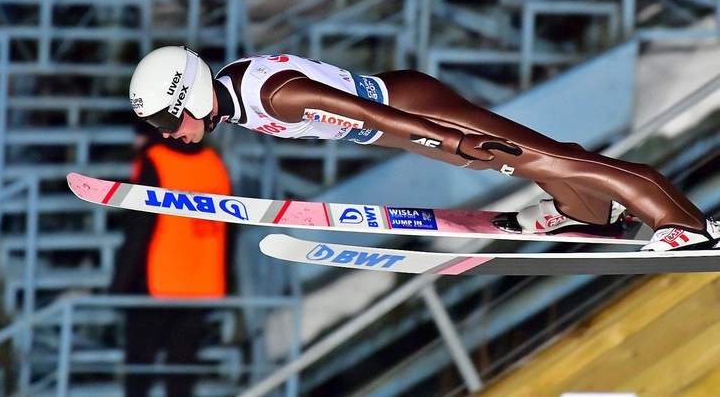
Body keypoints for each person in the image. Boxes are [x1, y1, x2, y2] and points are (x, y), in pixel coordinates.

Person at [128, 46, 719, 252]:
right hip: (400, 125)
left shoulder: (270, 95)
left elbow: (363, 111)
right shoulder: (230, 92)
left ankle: (682, 220)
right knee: (527, 158)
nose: (168, 133)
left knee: (543, 156)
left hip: (409, 109)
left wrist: (447, 134)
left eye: (166, 119)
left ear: (188, 95)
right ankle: (588, 215)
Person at [110, 120, 233, 396]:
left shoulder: (155, 162)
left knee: (139, 375)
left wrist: (120, 284)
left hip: (156, 286)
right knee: (181, 378)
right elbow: (230, 233)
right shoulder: (215, 164)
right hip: (202, 287)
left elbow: (140, 229)